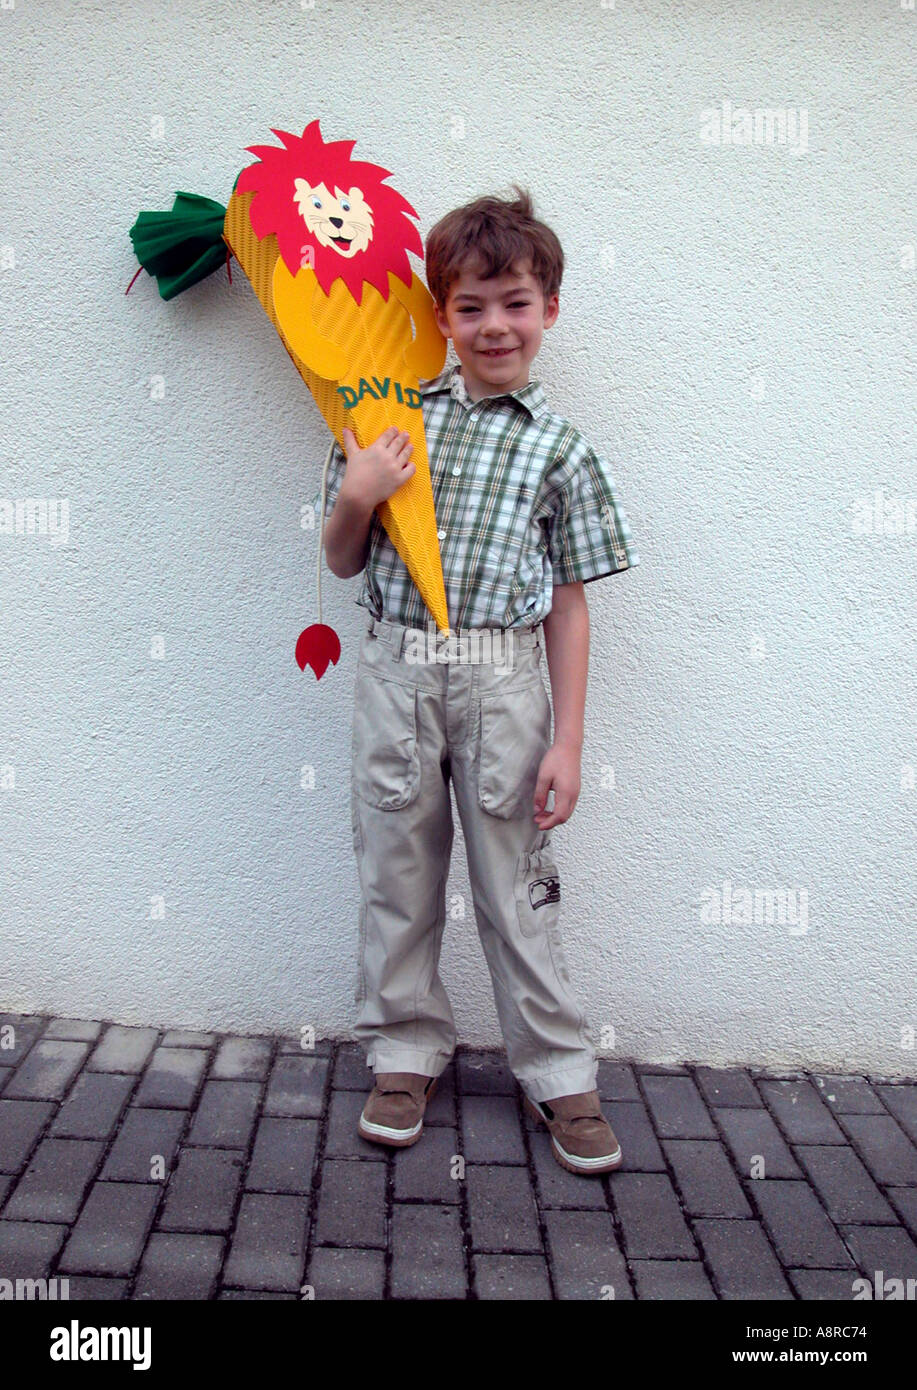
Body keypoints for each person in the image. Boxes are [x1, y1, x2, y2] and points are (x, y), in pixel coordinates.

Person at [316, 187, 639, 1175]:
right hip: (396, 671)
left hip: (504, 681)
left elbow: (569, 604)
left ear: (548, 310)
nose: (493, 325)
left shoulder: (561, 449)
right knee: (396, 873)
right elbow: (339, 561)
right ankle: (404, 1049)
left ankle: (556, 1071)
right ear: (439, 314)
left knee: (516, 885)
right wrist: (358, 495)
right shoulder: (389, 421)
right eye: (469, 307)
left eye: (514, 303)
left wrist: (569, 740)